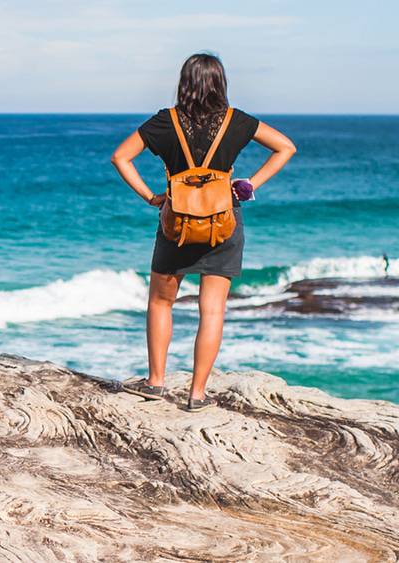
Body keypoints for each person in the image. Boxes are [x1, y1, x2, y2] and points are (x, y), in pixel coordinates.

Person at [110, 53, 296, 412]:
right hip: (223, 221)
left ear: (184, 83)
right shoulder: (236, 121)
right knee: (212, 310)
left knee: (161, 302)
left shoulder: (166, 122)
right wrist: (247, 185)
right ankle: (197, 394)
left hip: (176, 223)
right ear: (220, 83)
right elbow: (286, 147)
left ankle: (156, 382)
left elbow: (120, 157)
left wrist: (152, 197)